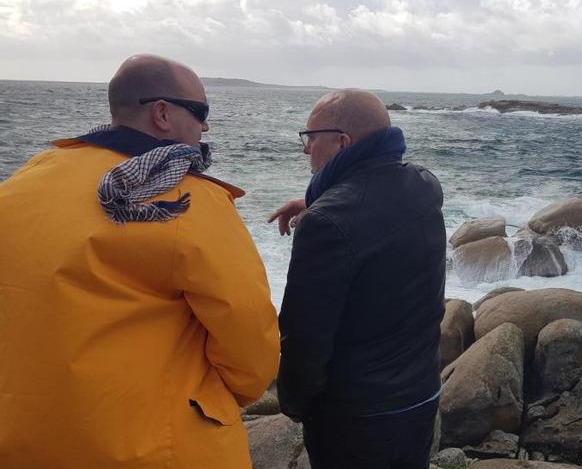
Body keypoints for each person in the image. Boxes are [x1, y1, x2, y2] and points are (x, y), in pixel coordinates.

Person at [0, 55, 280, 469]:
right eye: (201, 112)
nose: (206, 126)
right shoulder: (191, 200)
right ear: (163, 114)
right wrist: (223, 397)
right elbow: (249, 339)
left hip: (23, 437)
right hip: (148, 447)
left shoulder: (26, 179)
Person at [270, 89, 446, 469]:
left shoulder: (327, 224)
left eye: (310, 138)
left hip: (357, 418)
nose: (305, 150)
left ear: (342, 142)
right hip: (420, 396)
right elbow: (374, 207)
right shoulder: (423, 184)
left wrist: (294, 404)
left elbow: (305, 336)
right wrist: (317, 201)